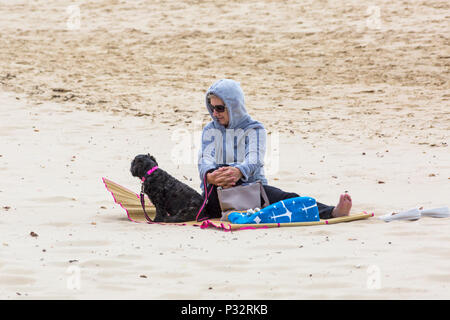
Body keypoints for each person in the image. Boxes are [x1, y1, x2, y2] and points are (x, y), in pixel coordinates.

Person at [197, 79, 352, 220]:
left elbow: (254, 158)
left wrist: (237, 172)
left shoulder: (254, 128)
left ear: (234, 107)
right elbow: (205, 159)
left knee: (288, 198)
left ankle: (332, 212)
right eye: (212, 107)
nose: (215, 113)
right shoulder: (210, 130)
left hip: (251, 193)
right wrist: (211, 176)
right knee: (209, 178)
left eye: (220, 108)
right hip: (217, 195)